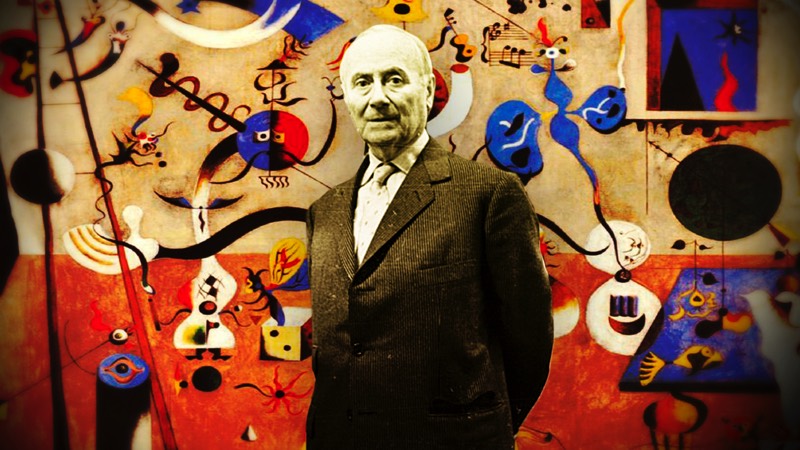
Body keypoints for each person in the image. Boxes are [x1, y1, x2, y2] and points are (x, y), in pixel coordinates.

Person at [305, 24, 553, 449]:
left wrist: (486, 426)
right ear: (347, 97)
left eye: (394, 79)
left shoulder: (489, 194)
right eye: (362, 83)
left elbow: (529, 337)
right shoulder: (324, 212)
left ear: (427, 91)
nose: (377, 98)